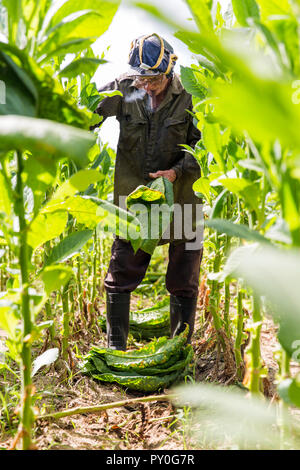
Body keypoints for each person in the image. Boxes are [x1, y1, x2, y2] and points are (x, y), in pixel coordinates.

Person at [92, 33, 203, 351]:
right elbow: (87, 114)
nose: (146, 86)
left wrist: (177, 171)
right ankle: (116, 347)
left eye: (152, 79)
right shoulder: (125, 86)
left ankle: (179, 348)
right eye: (141, 78)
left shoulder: (190, 95)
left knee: (185, 274)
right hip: (136, 197)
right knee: (122, 269)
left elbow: (205, 145)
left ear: (168, 72)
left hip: (185, 197)